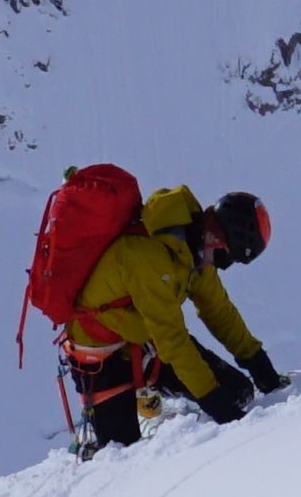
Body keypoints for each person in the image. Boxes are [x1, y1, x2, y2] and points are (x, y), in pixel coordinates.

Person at [59, 183, 288, 454]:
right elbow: (174, 342)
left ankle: (174, 412)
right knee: (122, 453)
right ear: (217, 237)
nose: (223, 266)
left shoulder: (195, 253)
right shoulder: (146, 256)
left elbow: (220, 312)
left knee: (238, 393)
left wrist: (260, 367)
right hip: (100, 357)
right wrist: (216, 405)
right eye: (227, 258)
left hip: (145, 340)